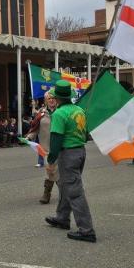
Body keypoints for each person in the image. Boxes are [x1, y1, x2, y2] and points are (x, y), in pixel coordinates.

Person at [44, 80, 96, 243]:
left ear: (56, 97)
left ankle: (86, 229)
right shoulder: (79, 110)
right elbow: (86, 133)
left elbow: (56, 139)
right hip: (80, 151)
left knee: (74, 191)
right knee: (67, 185)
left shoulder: (59, 114)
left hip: (68, 154)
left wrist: (51, 158)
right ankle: (62, 217)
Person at [26, 91, 58, 204]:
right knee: (50, 169)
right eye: (49, 98)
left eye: (53, 98)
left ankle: (49, 193)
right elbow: (35, 128)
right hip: (46, 148)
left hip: (60, 147)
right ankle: (48, 193)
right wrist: (29, 138)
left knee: (56, 170)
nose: (51, 100)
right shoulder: (41, 112)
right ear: (45, 100)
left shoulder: (62, 111)